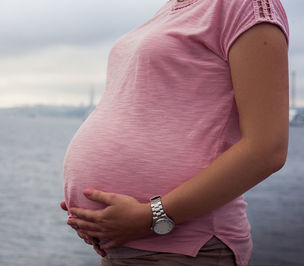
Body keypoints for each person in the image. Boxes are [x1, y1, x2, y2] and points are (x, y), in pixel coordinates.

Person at [60, 0, 289, 265]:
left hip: (186, 249)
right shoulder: (170, 10)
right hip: (128, 247)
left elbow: (266, 149)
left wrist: (150, 217)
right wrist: (90, 217)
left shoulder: (244, 5)